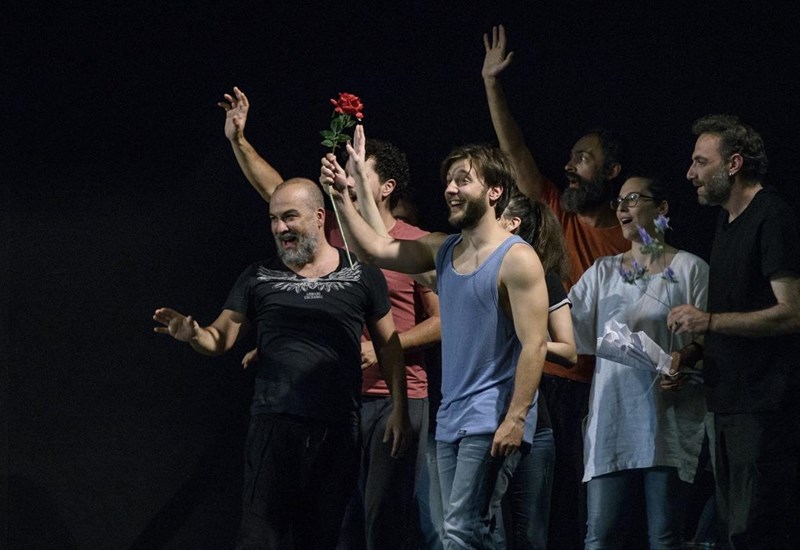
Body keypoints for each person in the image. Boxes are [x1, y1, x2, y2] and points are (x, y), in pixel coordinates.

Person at [218, 87, 441, 550]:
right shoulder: (333, 236)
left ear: (385, 187)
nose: (346, 176)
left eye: (359, 171)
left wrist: (381, 348)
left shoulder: (413, 243)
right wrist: (240, 141)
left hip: (396, 394)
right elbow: (277, 189)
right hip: (341, 400)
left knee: (386, 519)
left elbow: (445, 321)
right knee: (341, 525)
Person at [153, 178, 411, 550]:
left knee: (321, 539)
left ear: (319, 217)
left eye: (290, 217)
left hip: (337, 429)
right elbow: (220, 338)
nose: (280, 228)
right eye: (273, 219)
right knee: (259, 539)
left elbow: (388, 346)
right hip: (275, 427)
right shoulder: (258, 276)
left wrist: (400, 408)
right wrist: (194, 334)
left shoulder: (362, 274)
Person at [321, 129, 550, 549]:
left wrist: (516, 418)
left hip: (492, 413)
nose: (450, 189)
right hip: (452, 414)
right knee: (472, 532)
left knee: (460, 531)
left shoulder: (517, 258)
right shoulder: (443, 249)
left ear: (495, 191)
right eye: (448, 181)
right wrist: (341, 195)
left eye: (463, 180)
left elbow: (535, 344)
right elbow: (374, 250)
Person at [481, 24, 629, 548]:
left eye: (583, 158)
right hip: (544, 380)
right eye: (570, 156)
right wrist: (492, 83)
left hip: (601, 389)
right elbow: (514, 150)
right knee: (532, 505)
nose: (569, 165)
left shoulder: (630, 238)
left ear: (611, 172)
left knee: (588, 506)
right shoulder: (552, 209)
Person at [669, 114, 800, 549]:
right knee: (730, 531)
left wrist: (708, 321)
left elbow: (792, 313)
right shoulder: (726, 222)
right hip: (726, 403)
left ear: (734, 164)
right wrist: (691, 354)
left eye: (700, 162)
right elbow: (732, 313)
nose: (690, 173)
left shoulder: (772, 216)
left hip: (763, 407)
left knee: (754, 531)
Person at [567, 174, 709, 549]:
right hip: (613, 419)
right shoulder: (603, 272)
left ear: (661, 208)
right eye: (618, 202)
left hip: (668, 421)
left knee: (663, 537)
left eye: (633, 199)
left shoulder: (691, 268)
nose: (622, 208)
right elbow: (566, 325)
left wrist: (685, 359)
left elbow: (710, 337)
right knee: (600, 537)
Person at [495, 192, 577, 550]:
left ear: (512, 224)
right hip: (483, 417)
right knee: (488, 531)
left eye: (498, 214)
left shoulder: (542, 279)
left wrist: (532, 341)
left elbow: (569, 351)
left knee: (530, 536)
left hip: (533, 423)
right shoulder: (477, 273)